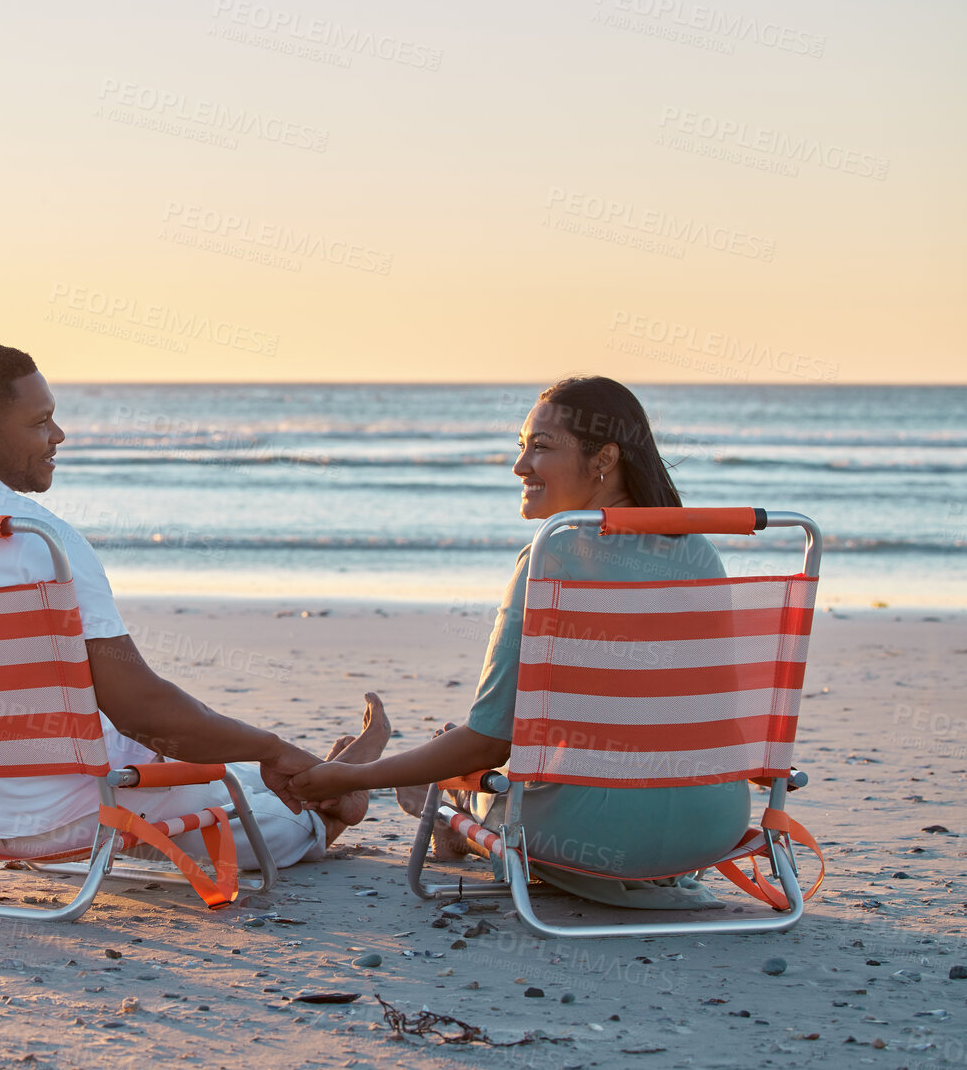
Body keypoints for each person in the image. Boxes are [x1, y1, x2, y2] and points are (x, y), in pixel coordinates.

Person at [0, 342, 385, 871]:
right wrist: (271, 748)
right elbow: (140, 709)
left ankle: (332, 774)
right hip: (81, 813)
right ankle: (340, 795)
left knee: (221, 771)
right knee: (282, 823)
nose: (58, 436)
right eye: (41, 422)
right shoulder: (41, 543)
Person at [288, 376, 752, 910]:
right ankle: (447, 795)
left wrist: (357, 775)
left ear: (603, 457)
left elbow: (490, 742)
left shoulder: (554, 556)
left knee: (471, 769)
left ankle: (446, 807)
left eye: (541, 447)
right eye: (521, 447)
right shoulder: (700, 554)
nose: (520, 466)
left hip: (590, 837)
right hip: (712, 827)